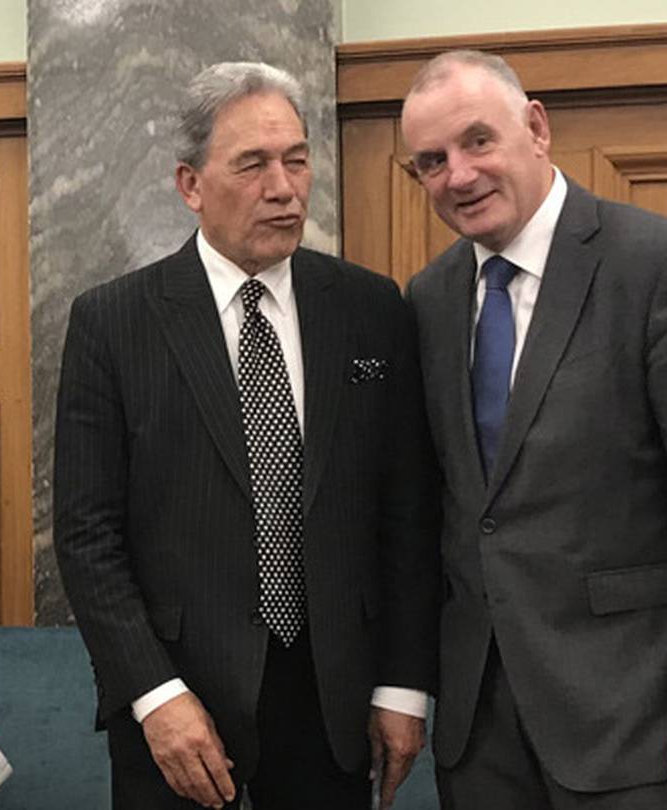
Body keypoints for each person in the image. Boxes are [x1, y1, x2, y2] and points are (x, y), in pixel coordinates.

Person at [53, 62, 440, 810]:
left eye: (297, 160)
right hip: (180, 705)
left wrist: (402, 684)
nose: (284, 187)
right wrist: (153, 695)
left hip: (336, 704)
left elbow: (406, 512)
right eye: (253, 164)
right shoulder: (115, 322)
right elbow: (86, 535)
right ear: (191, 185)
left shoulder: (369, 309)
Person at [400, 50, 667, 810]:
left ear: (536, 127)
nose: (459, 176)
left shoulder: (664, 267)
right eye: (431, 162)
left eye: (478, 141)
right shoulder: (429, 298)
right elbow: (440, 508)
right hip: (479, 734)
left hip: (634, 722)